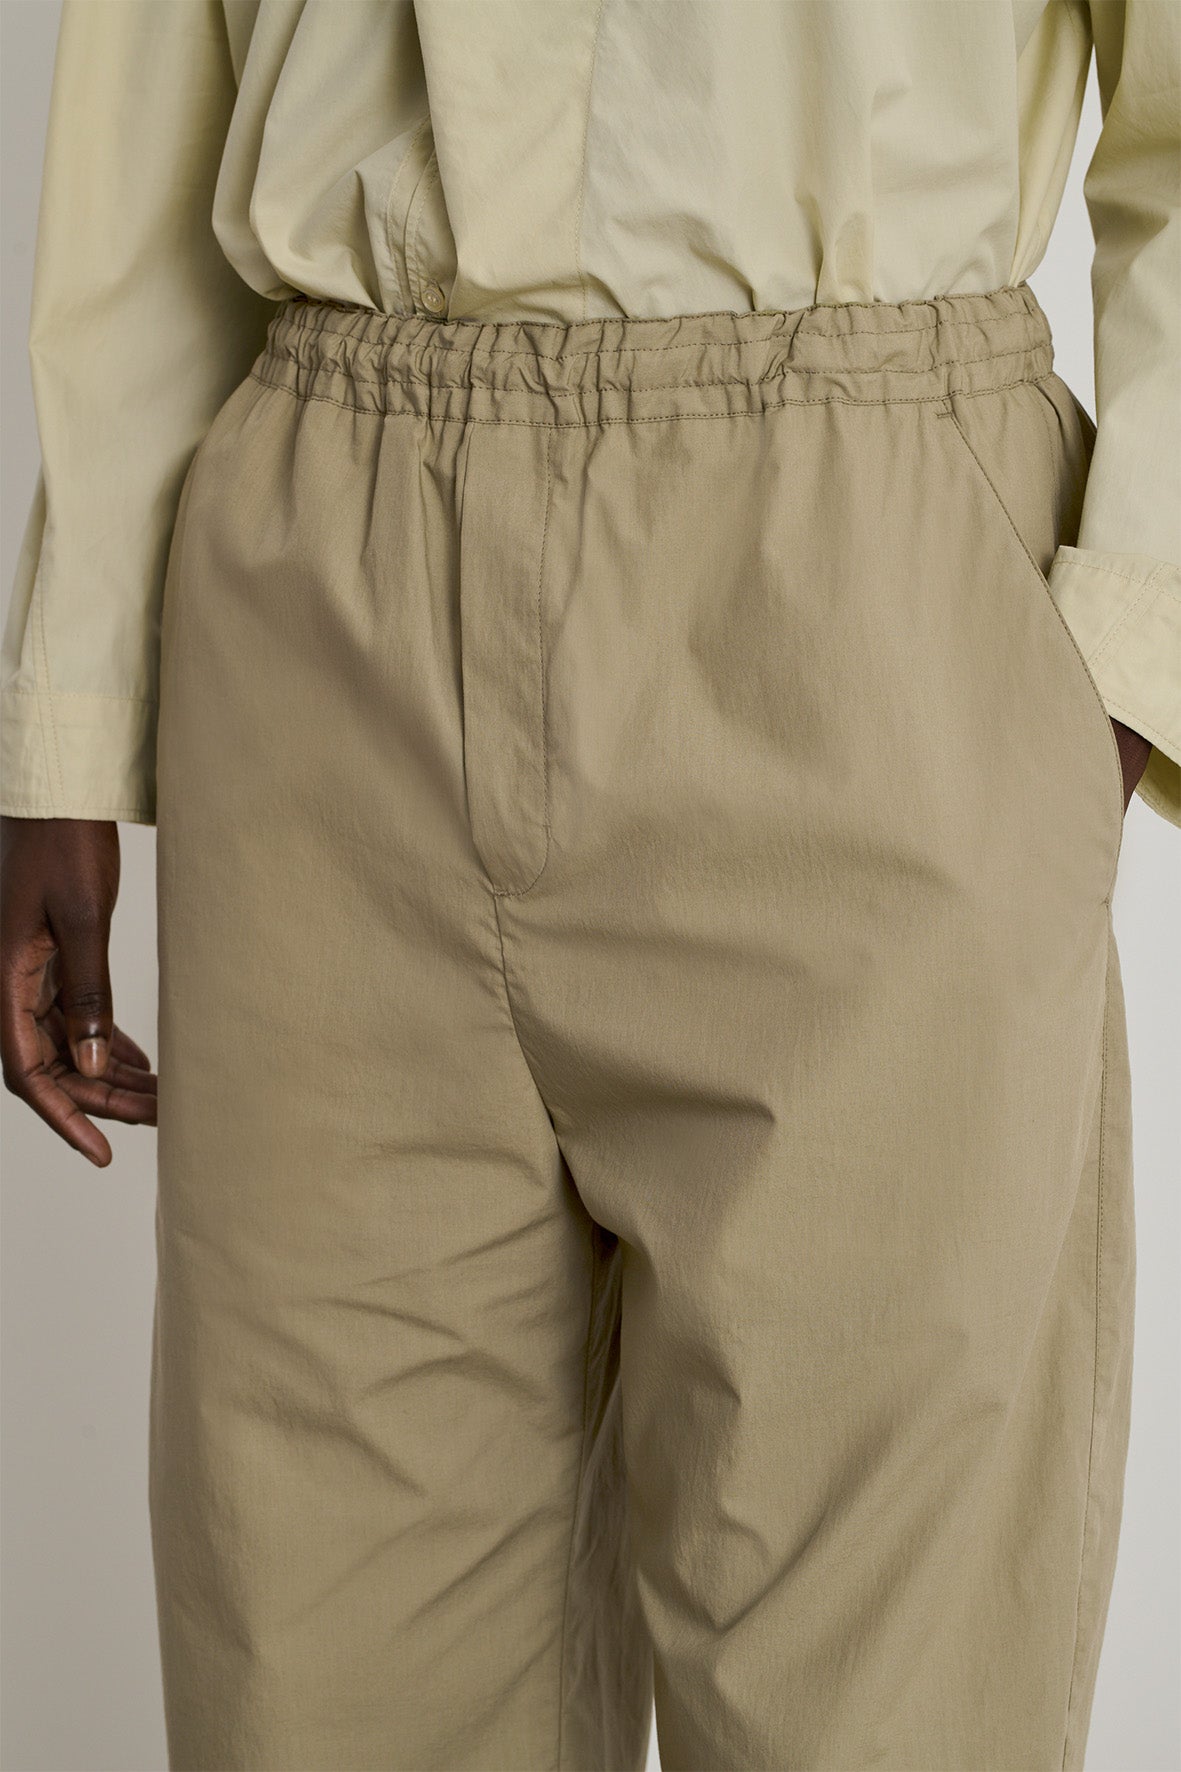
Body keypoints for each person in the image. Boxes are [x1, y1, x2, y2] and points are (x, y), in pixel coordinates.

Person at [1, 1, 1177, 1767]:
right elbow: (154, 76)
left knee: (881, 1707)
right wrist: (71, 717)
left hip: (864, 576)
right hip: (327, 610)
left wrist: (1119, 652)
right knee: (319, 1683)